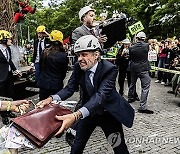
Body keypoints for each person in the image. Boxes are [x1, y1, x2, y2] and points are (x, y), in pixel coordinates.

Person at [37, 35, 134, 154]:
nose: (79, 59)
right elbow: (69, 88)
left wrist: (75, 115)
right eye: (78, 55)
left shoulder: (110, 69)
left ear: (96, 55)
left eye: (84, 54)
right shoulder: (78, 68)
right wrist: (51, 99)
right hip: (88, 113)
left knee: (119, 148)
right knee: (76, 147)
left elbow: (100, 96)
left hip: (108, 114)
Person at [37, 30, 69, 100]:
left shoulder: (44, 52)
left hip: (44, 83)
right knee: (55, 107)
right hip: (56, 84)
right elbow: (63, 72)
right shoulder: (63, 55)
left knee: (42, 106)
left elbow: (40, 68)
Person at [128, 31, 154, 114]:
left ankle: (130, 98)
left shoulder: (131, 48)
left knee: (132, 84)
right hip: (143, 68)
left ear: (137, 38)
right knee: (145, 87)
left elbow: (130, 58)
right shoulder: (146, 46)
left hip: (134, 68)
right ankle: (142, 106)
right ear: (144, 38)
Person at [0, 30, 22, 125]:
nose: (10, 40)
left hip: (9, 75)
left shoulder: (8, 49)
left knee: (9, 94)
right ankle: (4, 115)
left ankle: (9, 111)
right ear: (3, 39)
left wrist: (15, 70)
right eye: (9, 38)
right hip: (1, 77)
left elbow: (9, 61)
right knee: (2, 96)